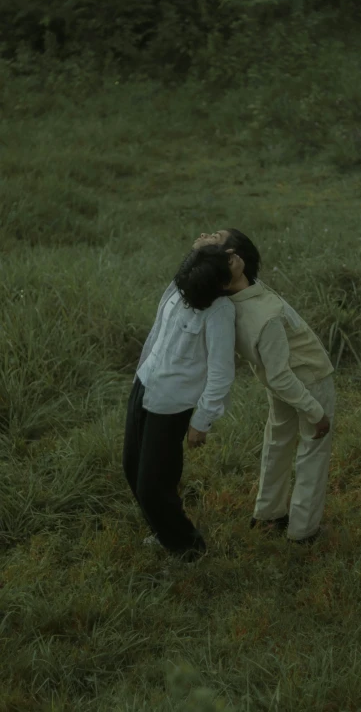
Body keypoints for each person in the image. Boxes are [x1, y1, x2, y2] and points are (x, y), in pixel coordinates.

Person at [193, 230, 335, 545]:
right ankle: (303, 530)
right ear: (223, 277)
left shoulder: (234, 303)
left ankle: (268, 513)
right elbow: (284, 376)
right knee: (313, 449)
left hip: (278, 381)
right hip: (306, 381)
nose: (230, 252)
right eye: (225, 256)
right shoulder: (264, 317)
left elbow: (276, 375)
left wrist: (204, 249)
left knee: (278, 440)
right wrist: (315, 411)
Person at [122, 245, 237, 562]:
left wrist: (202, 421)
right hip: (145, 383)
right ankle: (164, 533)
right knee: (131, 467)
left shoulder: (219, 311)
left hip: (172, 403)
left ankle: (189, 549)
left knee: (153, 484)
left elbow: (221, 372)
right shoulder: (185, 281)